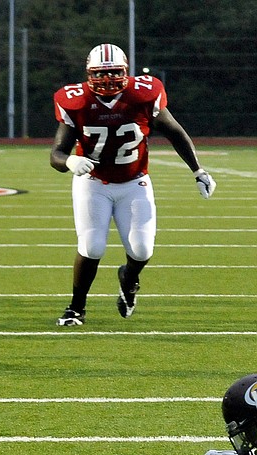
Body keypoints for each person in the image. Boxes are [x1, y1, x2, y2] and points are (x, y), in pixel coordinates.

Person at [50, 43, 216, 327]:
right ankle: (76, 308)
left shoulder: (143, 94)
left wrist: (197, 169)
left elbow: (175, 132)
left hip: (135, 180)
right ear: (88, 74)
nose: (107, 79)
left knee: (141, 251)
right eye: (100, 74)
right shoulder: (74, 99)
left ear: (126, 71)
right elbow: (57, 153)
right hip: (93, 182)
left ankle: (129, 277)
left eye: (114, 72)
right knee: (92, 247)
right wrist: (71, 162)